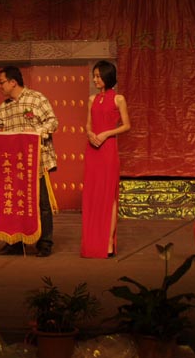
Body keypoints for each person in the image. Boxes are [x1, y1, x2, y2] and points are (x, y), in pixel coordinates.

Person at [0, 66, 58, 257]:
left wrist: (36, 133)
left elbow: (53, 122)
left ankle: (45, 243)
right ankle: (16, 243)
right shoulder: (5, 107)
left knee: (42, 204)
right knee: (18, 203)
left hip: (38, 161)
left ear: (13, 82)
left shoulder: (36, 98)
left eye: (1, 82)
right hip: (16, 165)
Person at [81, 60, 130, 258]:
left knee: (109, 196)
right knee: (92, 196)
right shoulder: (92, 99)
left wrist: (106, 134)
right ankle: (92, 242)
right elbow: (88, 124)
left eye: (98, 76)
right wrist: (90, 133)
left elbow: (126, 125)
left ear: (107, 77)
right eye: (94, 76)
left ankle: (108, 241)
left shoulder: (118, 99)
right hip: (92, 149)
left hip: (108, 149)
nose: (95, 80)